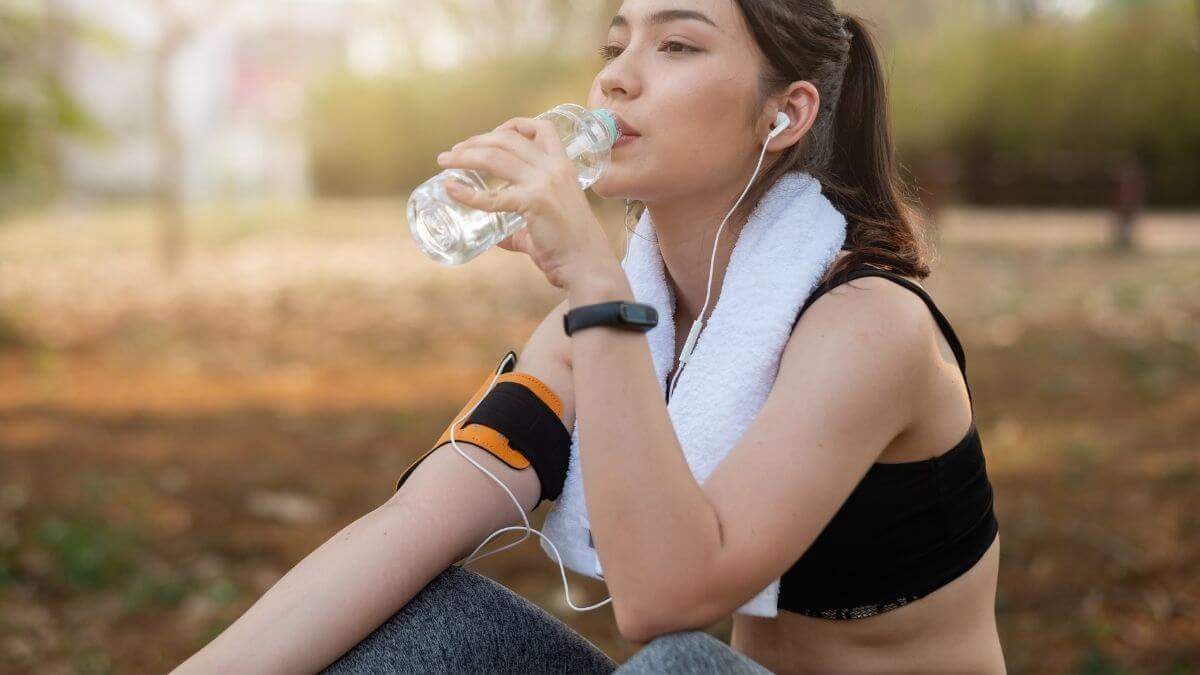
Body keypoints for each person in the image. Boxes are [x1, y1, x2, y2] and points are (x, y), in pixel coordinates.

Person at [173, 1, 1005, 673]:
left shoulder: (867, 327)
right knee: (427, 616)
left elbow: (665, 604)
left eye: (677, 45)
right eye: (616, 44)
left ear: (784, 113)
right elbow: (410, 527)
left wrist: (599, 290)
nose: (616, 77)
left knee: (684, 669)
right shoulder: (592, 332)